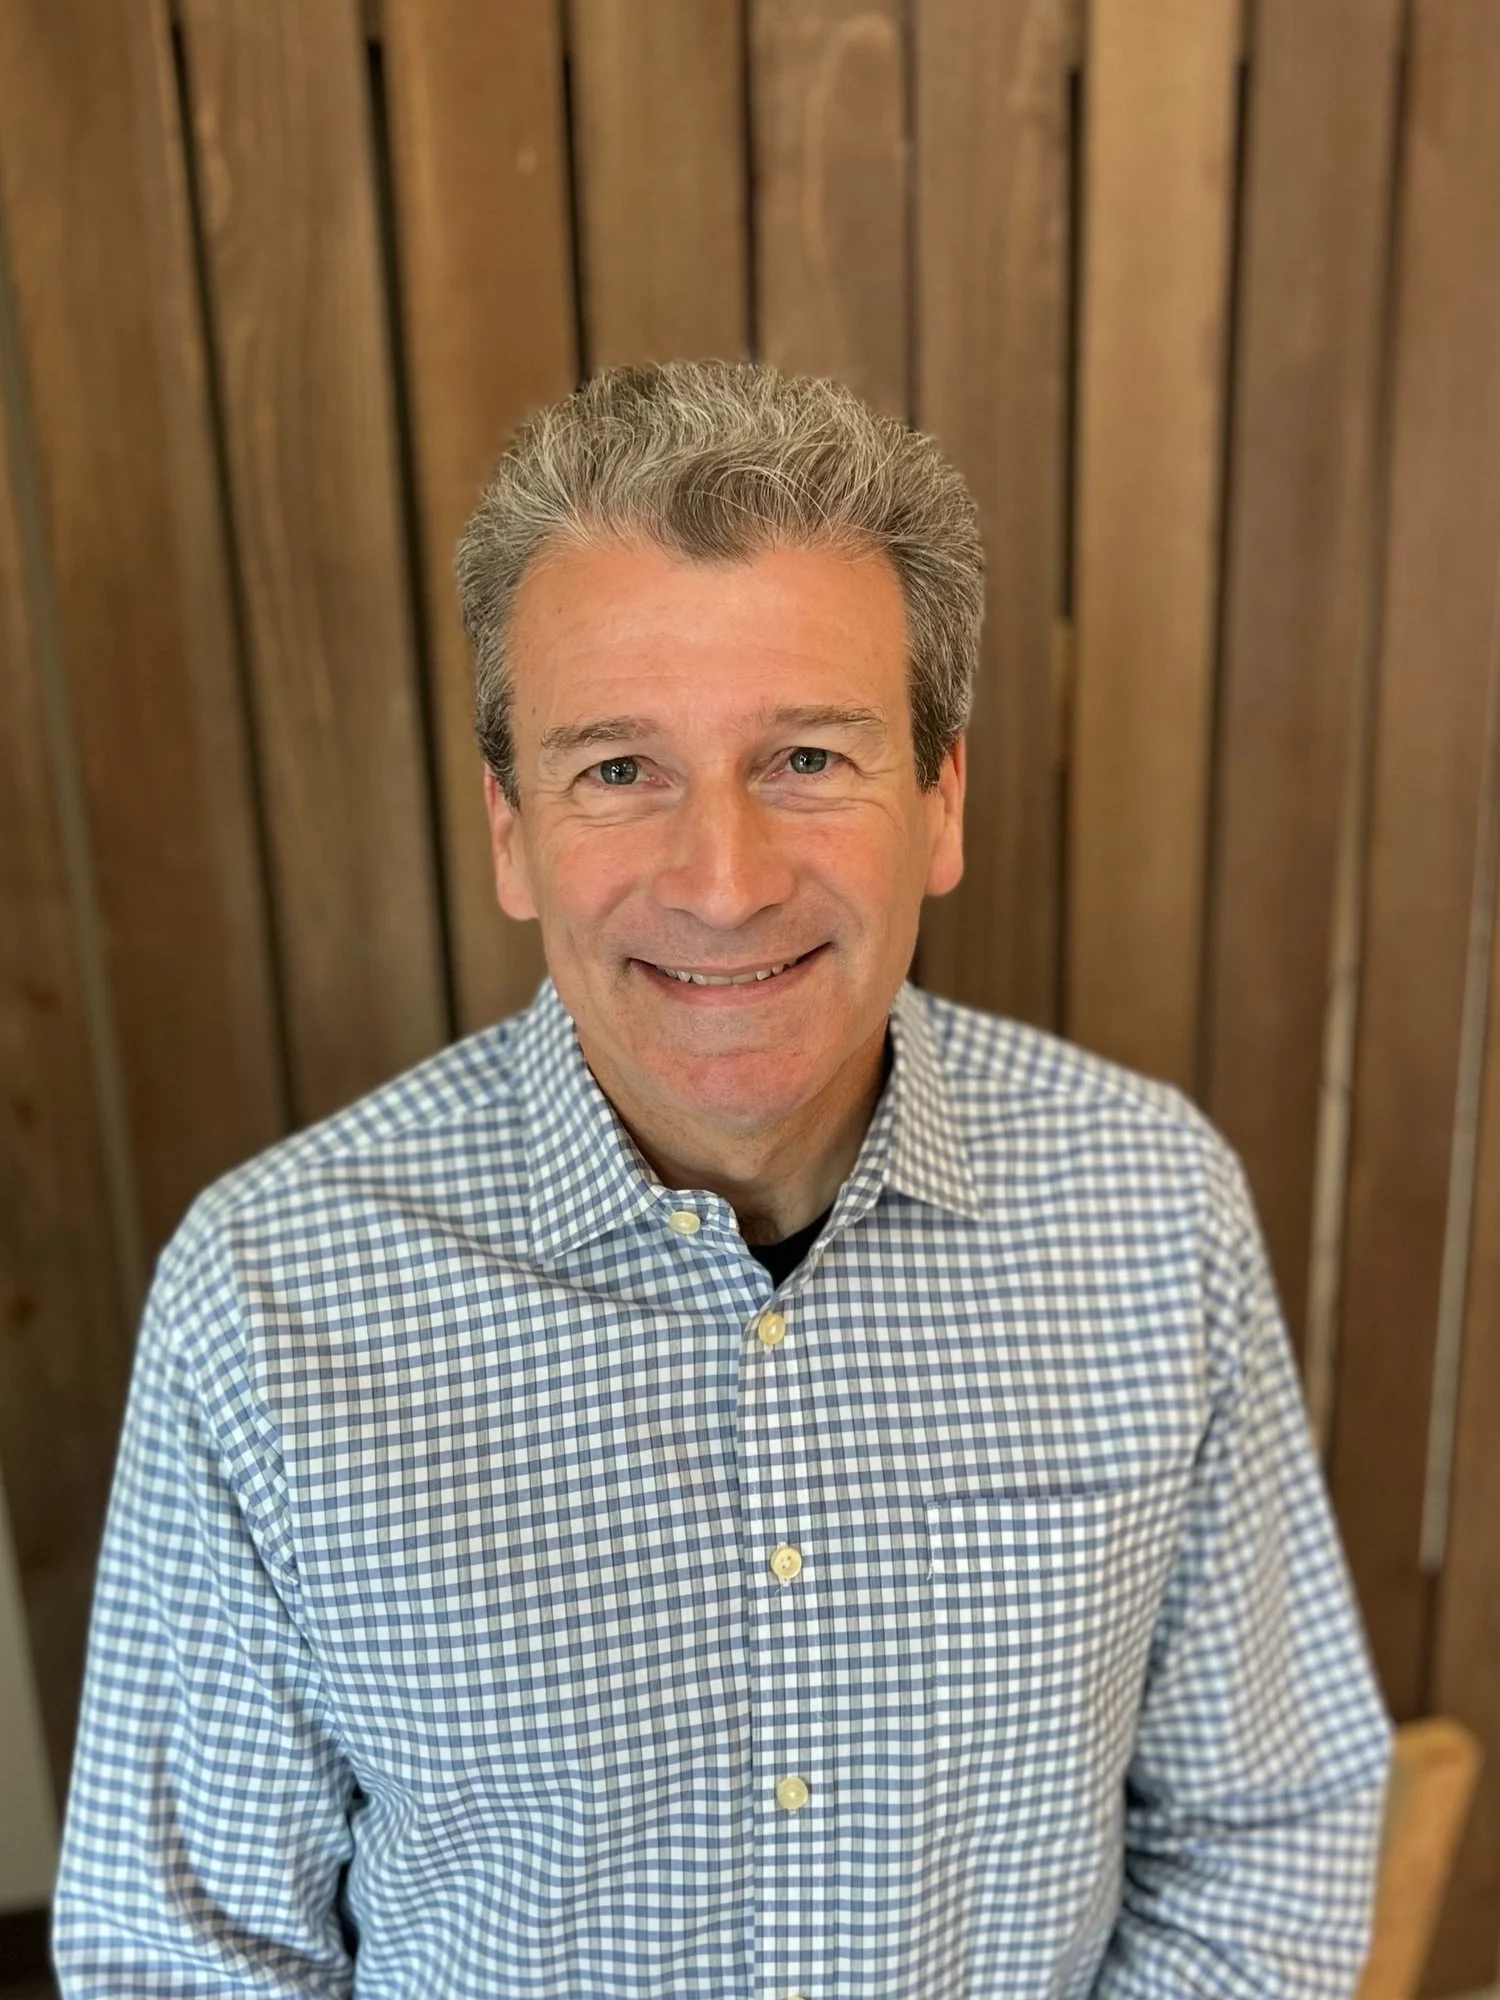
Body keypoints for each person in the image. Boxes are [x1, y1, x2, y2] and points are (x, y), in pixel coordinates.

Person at [53, 360, 1392, 1998]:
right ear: (511, 830)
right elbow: (183, 1958)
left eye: (810, 758)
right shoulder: (263, 1299)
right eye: (618, 769)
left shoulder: (1152, 1207)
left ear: (941, 798)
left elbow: (1270, 1826)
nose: (724, 878)